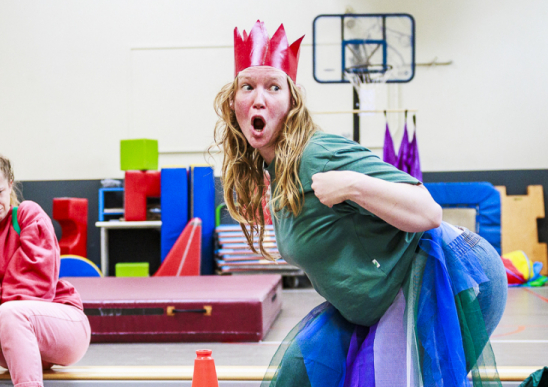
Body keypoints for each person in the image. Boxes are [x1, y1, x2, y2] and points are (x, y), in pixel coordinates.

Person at [214, 21, 507, 386]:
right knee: (297, 372)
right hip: (378, 302)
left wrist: (352, 184)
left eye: (274, 87)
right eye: (248, 87)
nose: (259, 98)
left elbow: (429, 212)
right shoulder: (277, 171)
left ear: (292, 102)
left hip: (453, 277)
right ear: (233, 102)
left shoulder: (316, 154)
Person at [0, 151, 90, 387]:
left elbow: (35, 279)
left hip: (59, 327)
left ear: (10, 184)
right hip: (5, 333)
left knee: (10, 314)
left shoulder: (29, 215)